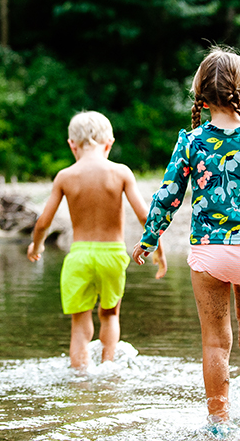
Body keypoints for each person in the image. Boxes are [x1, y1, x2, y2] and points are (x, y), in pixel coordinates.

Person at [130, 47, 240, 428]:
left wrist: (149, 238)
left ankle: (219, 422)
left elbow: (167, 196)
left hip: (208, 252)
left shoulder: (190, 142)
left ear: (201, 98)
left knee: (213, 340)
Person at [27, 111, 167, 374]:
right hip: (112, 256)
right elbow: (145, 216)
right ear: (109, 143)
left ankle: (80, 376)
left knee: (79, 324)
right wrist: (157, 250)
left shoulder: (65, 176)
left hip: (78, 256)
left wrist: (37, 246)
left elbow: (43, 222)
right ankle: (108, 369)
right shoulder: (121, 172)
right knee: (110, 315)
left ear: (72, 145)